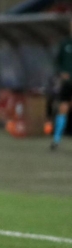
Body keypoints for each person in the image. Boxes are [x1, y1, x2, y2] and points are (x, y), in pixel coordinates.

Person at [51, 19, 72, 150]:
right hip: (68, 83)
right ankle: (56, 140)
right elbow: (57, 63)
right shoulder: (65, 44)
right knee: (63, 108)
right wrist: (61, 73)